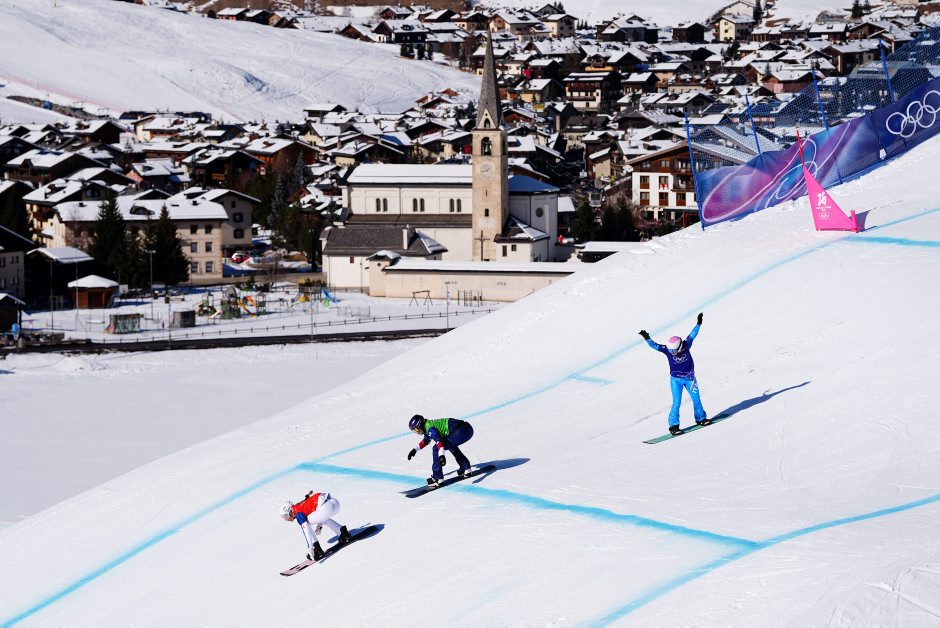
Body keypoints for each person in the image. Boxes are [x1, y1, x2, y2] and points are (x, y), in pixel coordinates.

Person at [639, 312, 710, 436]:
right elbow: (654, 345)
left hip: (690, 379)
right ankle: (673, 426)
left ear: (680, 346)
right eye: (670, 350)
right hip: (675, 381)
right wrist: (647, 337)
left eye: (673, 350)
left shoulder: (687, 345)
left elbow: (693, 334)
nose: (671, 352)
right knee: (676, 402)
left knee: (696, 399)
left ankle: (701, 419)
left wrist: (698, 324)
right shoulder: (667, 350)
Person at [279, 491, 352, 561]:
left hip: (326, 508)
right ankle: (343, 532)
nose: (287, 519)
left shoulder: (298, 514)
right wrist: (319, 525)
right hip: (335, 503)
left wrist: (310, 548)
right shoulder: (299, 506)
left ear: (289, 511)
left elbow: (306, 530)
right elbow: (316, 510)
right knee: (314, 518)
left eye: (286, 516)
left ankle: (316, 549)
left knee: (306, 523)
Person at [406, 414, 474, 486]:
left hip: (461, 431)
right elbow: (426, 441)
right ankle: (465, 467)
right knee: (450, 444)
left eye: (416, 430)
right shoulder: (427, 426)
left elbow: (439, 441)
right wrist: (415, 450)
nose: (417, 432)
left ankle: (438, 478)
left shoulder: (430, 428)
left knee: (435, 449)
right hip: (466, 429)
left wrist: (441, 455)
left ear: (420, 425)